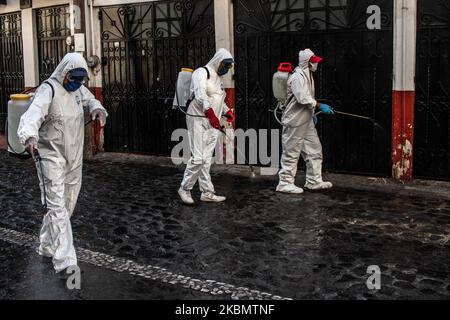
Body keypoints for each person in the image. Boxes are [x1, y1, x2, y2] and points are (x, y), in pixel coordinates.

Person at [17, 53, 108, 274]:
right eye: (73, 78)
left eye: (80, 79)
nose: (76, 83)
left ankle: (47, 245)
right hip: (50, 157)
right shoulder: (49, 89)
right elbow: (32, 115)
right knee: (56, 206)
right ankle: (65, 260)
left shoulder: (78, 90)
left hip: (74, 159)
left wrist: (97, 108)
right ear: (64, 73)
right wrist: (29, 136)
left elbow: (90, 99)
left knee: (67, 205)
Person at [178, 48, 235, 204]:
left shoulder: (219, 78)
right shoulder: (202, 73)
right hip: (197, 118)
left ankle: (207, 192)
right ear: (218, 61)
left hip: (212, 122)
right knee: (198, 158)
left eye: (229, 67)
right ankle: (185, 188)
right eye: (226, 64)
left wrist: (226, 111)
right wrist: (210, 113)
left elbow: (218, 98)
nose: (227, 69)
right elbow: (200, 94)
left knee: (206, 159)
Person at [277, 49, 334, 194]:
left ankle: (314, 181)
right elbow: (302, 98)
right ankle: (284, 183)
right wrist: (320, 106)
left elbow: (306, 98)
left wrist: (312, 113)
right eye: (314, 62)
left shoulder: (308, 75)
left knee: (314, 149)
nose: (316, 64)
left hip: (306, 119)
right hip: (295, 120)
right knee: (291, 151)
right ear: (307, 63)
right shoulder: (297, 77)